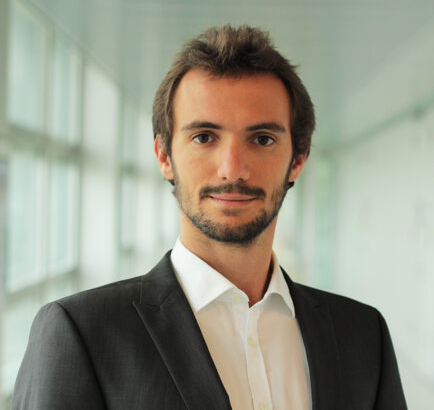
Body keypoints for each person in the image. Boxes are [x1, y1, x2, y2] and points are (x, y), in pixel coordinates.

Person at [12, 25, 407, 410]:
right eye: (204, 137)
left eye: (262, 139)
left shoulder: (363, 335)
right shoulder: (83, 333)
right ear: (164, 156)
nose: (232, 169)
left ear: (297, 160)